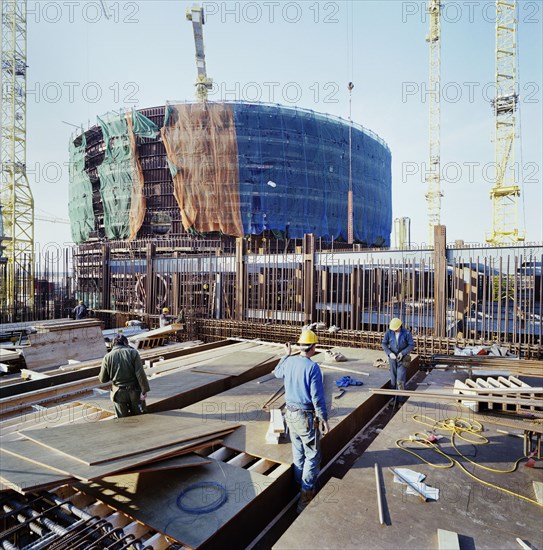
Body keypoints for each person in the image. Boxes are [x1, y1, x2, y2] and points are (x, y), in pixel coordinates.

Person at [274, 329, 330, 513]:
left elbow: (276, 373)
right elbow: (317, 397)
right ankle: (305, 497)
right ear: (313, 347)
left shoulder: (289, 361)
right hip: (305, 417)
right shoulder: (313, 368)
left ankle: (298, 488)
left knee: (298, 454)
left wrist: (286, 355)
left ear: (299, 346)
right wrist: (323, 418)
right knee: (313, 456)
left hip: (289, 415)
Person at [99, 334, 150, 418]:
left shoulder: (107, 357)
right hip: (134, 392)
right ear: (125, 343)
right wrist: (144, 390)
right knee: (140, 418)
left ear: (113, 344)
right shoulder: (133, 353)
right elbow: (140, 373)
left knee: (123, 421)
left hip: (118, 393)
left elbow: (103, 379)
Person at [382, 317, 415, 406]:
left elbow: (411, 345)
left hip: (402, 359)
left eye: (396, 329)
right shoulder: (389, 332)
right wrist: (389, 353)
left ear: (400, 326)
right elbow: (384, 344)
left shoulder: (406, 333)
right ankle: (394, 399)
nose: (395, 330)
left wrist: (403, 353)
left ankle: (400, 400)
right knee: (393, 379)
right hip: (392, 359)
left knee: (400, 380)